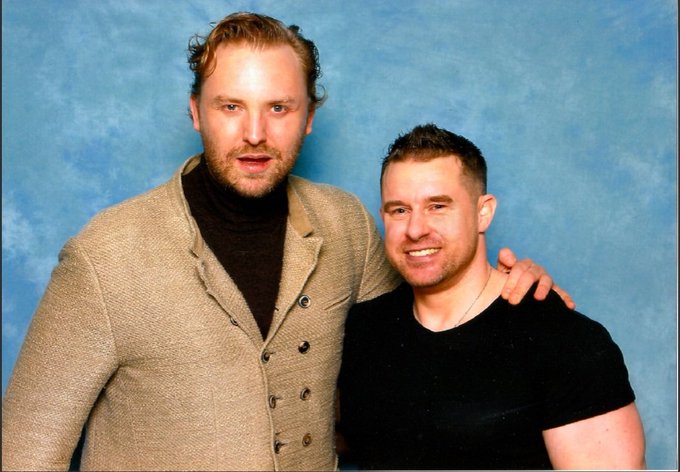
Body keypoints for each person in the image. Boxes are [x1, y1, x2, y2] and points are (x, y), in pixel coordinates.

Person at [2, 13, 571, 471]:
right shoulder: (105, 255)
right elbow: (25, 452)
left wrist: (514, 300)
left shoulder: (345, 225)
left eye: (278, 107)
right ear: (195, 112)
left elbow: (425, 341)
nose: (255, 133)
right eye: (231, 106)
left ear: (309, 117)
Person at [337, 124, 646, 470]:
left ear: (483, 213)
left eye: (437, 206)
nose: (415, 229)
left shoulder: (564, 341)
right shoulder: (363, 328)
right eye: (399, 210)